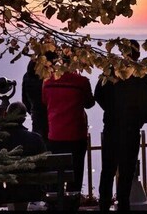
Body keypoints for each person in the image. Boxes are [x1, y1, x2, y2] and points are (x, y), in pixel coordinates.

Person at [95, 39, 147, 211]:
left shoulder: (112, 71)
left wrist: (110, 110)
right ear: (137, 54)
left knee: (108, 170)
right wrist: (139, 119)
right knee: (127, 171)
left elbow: (99, 94)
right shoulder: (141, 75)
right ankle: (123, 204)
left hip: (112, 127)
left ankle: (104, 204)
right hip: (131, 129)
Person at [42, 54, 95, 210]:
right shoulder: (81, 82)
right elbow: (89, 103)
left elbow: (45, 101)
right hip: (76, 135)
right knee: (75, 173)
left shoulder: (48, 81)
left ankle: (53, 204)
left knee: (54, 172)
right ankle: (72, 205)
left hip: (55, 134)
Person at [0, 101, 47, 211]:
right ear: (24, 118)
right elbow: (44, 168)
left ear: (5, 115)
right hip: (30, 192)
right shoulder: (35, 139)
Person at [22, 59, 48, 142]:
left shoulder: (26, 76)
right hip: (49, 114)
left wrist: (32, 111)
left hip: (36, 114)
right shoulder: (47, 77)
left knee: (38, 142)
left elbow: (25, 100)